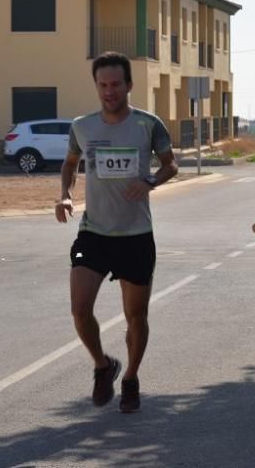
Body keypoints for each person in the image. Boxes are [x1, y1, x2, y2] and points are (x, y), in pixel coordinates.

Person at [56, 51, 178, 414]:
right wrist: (64, 195)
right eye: (102, 85)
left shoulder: (147, 124)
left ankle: (131, 378)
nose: (109, 91)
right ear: (96, 86)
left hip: (136, 234)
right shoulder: (82, 126)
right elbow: (70, 163)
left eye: (116, 84)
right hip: (94, 232)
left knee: (135, 316)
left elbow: (171, 164)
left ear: (129, 85)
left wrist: (151, 180)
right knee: (80, 309)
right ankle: (103, 365)